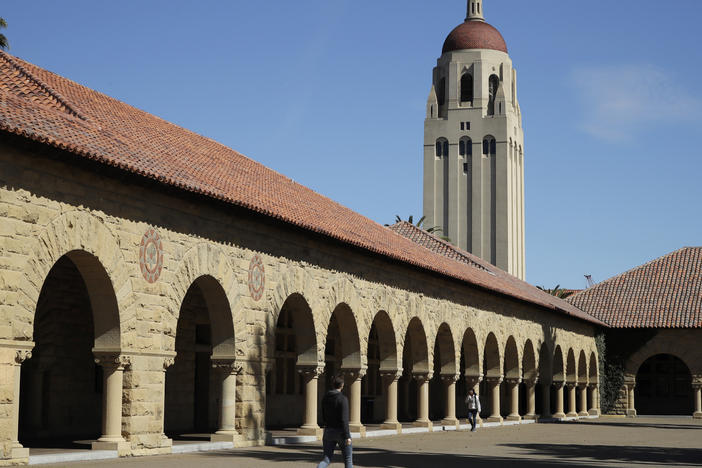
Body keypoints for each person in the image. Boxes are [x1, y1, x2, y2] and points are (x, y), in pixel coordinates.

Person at [317, 375, 353, 468]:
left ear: (333, 385)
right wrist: (347, 436)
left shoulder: (325, 398)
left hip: (328, 430)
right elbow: (344, 419)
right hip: (341, 432)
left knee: (326, 459)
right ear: (342, 385)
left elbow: (324, 415)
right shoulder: (343, 399)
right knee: (348, 460)